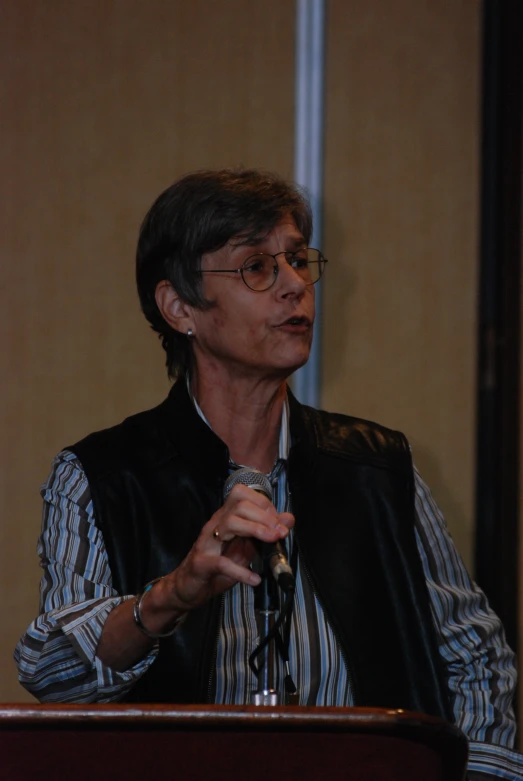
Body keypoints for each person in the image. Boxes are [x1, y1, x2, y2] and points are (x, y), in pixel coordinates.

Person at [15, 169, 522, 779]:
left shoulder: (377, 465)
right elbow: (56, 677)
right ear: (180, 308)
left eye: (299, 260)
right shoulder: (99, 475)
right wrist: (173, 595)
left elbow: (473, 657)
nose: (295, 287)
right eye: (257, 266)